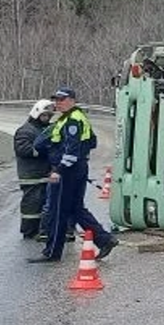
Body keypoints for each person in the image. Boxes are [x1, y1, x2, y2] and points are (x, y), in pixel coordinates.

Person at [30, 87, 118, 265]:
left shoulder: (72, 121)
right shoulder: (72, 118)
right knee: (75, 209)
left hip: (68, 171)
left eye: (62, 100)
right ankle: (104, 239)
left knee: (58, 211)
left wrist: (59, 170)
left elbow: (72, 151)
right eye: (56, 100)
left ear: (72, 100)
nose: (58, 103)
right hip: (76, 169)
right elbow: (91, 141)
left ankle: (52, 252)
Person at [12, 99, 54, 241]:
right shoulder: (25, 130)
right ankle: (29, 231)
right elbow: (23, 149)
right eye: (44, 115)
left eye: (48, 116)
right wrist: (43, 150)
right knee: (32, 204)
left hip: (43, 174)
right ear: (36, 114)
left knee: (42, 203)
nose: (46, 118)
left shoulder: (45, 129)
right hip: (31, 175)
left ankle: (41, 230)